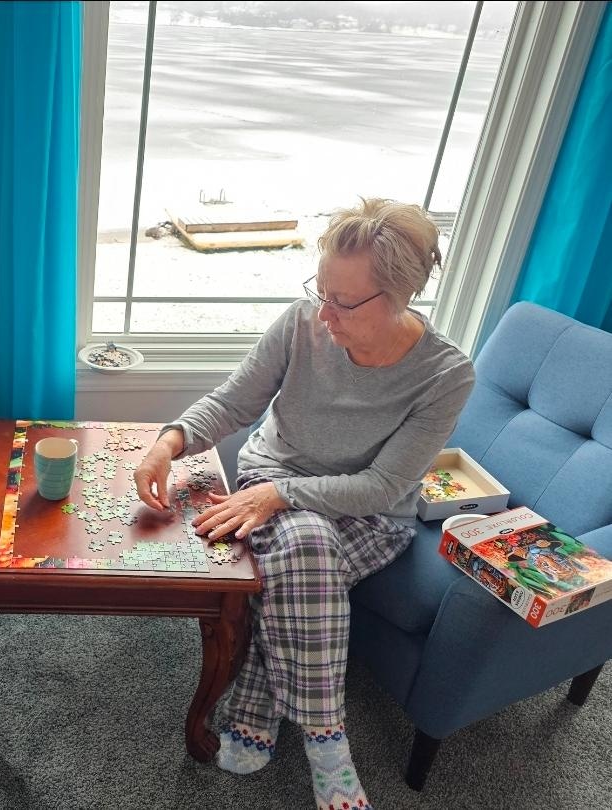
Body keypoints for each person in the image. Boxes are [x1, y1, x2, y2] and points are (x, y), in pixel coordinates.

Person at [134, 198, 475, 810]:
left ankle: (261, 707)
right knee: (307, 545)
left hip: (368, 514)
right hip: (272, 476)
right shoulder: (300, 324)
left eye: (343, 302)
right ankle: (328, 741)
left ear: (400, 294)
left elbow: (381, 487)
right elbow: (235, 401)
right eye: (320, 290)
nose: (324, 313)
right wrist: (170, 441)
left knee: (301, 552)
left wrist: (279, 496)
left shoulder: (446, 375)